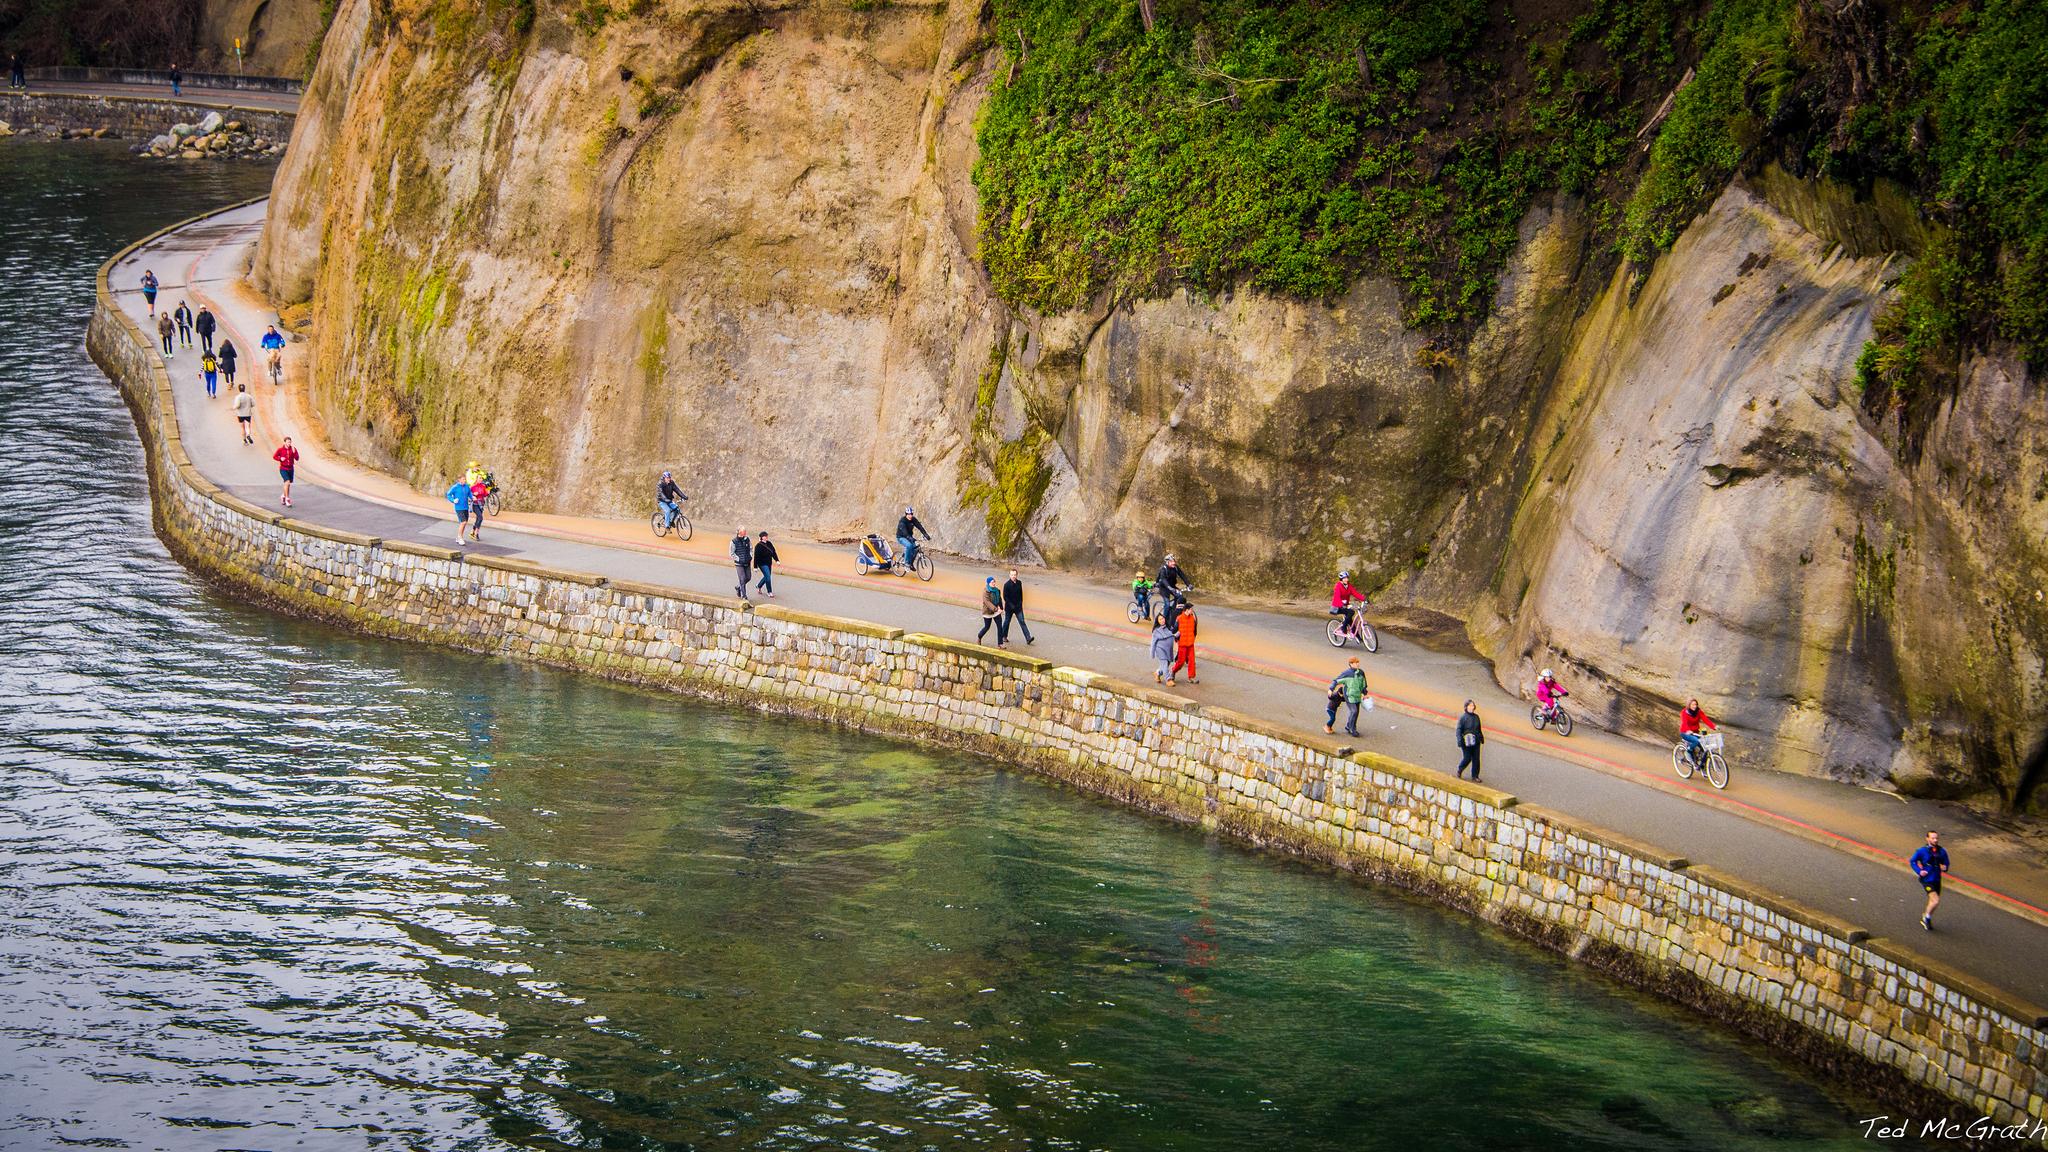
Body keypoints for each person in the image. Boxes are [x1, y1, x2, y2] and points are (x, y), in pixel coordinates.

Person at [1911, 830, 1950, 931]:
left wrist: (1945, 867)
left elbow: (1946, 863)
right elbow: (1913, 861)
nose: (1935, 840)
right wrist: (1919, 871)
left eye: (1936, 838)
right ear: (1927, 839)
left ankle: (1926, 916)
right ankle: (1927, 918)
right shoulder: (1921, 851)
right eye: (1933, 838)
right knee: (1936, 901)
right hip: (1927, 880)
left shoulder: (1942, 851)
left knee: (1932, 902)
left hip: (1937, 879)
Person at [1326, 657, 1368, 737]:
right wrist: (1331, 689)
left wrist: (1365, 694)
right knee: (1354, 711)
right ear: (1351, 664)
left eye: (1358, 662)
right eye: (1356, 663)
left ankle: (1349, 726)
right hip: (1349, 696)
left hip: (1357, 696)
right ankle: (1352, 729)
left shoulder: (1361, 673)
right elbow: (1336, 681)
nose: (1358, 664)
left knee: (1356, 712)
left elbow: (1363, 684)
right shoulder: (1347, 673)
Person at [1001, 568, 1035, 645]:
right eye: (1012, 575)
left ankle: (1028, 638)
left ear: (1017, 575)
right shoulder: (1006, 585)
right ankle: (1003, 636)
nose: (1013, 576)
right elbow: (1005, 597)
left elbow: (1020, 594)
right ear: (1009, 575)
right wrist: (1012, 605)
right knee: (1007, 622)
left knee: (1022, 621)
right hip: (1009, 608)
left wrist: (1020, 603)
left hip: (1018, 607)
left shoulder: (1019, 583)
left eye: (1015, 575)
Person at [1679, 698, 1716, 766]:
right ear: (1689, 705)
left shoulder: (1698, 712)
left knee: (1704, 746)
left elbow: (1705, 719)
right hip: (1685, 732)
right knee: (1696, 741)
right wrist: (1688, 730)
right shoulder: (1684, 712)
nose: (1694, 706)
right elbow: (1685, 723)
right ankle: (1688, 751)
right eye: (1692, 704)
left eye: (1695, 704)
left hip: (1695, 732)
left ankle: (1702, 766)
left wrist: (1713, 727)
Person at [1331, 569, 1366, 636]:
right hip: (1337, 606)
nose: (1346, 579)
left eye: (1347, 578)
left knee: (1350, 620)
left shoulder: (1349, 586)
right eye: (1344, 578)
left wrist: (1364, 599)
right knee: (1351, 612)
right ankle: (1343, 627)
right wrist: (1341, 605)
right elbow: (1337, 597)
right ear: (1341, 579)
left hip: (1345, 605)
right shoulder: (1338, 586)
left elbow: (1355, 593)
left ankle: (1357, 636)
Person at [1169, 601, 1198, 685]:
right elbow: (1174, 630)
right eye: (1191, 609)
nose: (1192, 611)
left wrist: (1193, 638)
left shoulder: (1192, 618)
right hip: (1182, 644)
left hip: (1190, 643)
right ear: (1187, 610)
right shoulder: (1179, 618)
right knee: (1180, 662)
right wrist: (1177, 639)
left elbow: (1195, 630)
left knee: (1192, 660)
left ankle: (1191, 677)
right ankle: (1173, 671)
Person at [1455, 700, 1484, 781]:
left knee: (1476, 759)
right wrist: (1460, 740)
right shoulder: (1463, 718)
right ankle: (1460, 769)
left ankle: (1475, 776)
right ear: (1466, 707)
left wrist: (1481, 737)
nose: (1472, 707)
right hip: (1466, 742)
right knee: (1467, 758)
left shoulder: (1476, 717)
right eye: (1470, 706)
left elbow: (1479, 729)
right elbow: (1459, 730)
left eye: (1473, 706)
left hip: (1476, 741)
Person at [896, 506, 930, 570]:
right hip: (901, 537)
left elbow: (920, 526)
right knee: (909, 546)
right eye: (908, 514)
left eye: (911, 514)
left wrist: (925, 534)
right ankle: (906, 563)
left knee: (916, 547)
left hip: (909, 537)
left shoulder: (913, 519)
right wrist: (910, 538)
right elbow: (904, 532)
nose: (910, 516)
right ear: (906, 514)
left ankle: (910, 563)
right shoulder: (902, 521)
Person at [977, 576, 1007, 646]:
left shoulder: (997, 590)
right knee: (987, 627)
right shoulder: (986, 592)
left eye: (994, 582)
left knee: (1000, 627)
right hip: (987, 612)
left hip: (996, 612)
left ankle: (1000, 644)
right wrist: (996, 609)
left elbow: (999, 599)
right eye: (992, 582)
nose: (993, 583)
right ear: (988, 583)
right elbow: (987, 603)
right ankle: (979, 636)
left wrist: (1001, 609)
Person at [445, 475, 473, 543]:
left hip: (466, 507)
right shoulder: (455, 487)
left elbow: (469, 493)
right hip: (459, 507)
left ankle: (459, 537)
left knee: (464, 523)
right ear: (459, 480)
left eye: (465, 479)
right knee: (463, 522)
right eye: (463, 479)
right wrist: (453, 500)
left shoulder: (467, 486)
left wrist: (472, 497)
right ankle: (460, 538)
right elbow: (448, 494)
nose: (464, 481)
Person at [272, 437, 299, 507]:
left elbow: (297, 458)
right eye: (287, 442)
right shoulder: (280, 450)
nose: (289, 443)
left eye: (290, 442)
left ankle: (283, 496)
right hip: (283, 468)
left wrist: (294, 452)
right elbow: (274, 456)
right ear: (284, 442)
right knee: (287, 482)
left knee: (287, 484)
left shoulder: (293, 449)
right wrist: (280, 458)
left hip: (291, 469)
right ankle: (287, 499)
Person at [1150, 614, 1176, 683]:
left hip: (1168, 650)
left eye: (1163, 618)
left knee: (1166, 664)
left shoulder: (1168, 628)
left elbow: (1172, 635)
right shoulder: (1156, 631)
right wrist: (1152, 653)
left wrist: (1177, 634)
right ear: (1157, 621)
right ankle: (1168, 679)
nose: (1162, 620)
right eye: (1160, 619)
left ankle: (1157, 673)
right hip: (1160, 650)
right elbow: (1153, 643)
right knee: (1164, 663)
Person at [731, 526, 753, 601]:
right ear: (740, 532)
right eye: (744, 531)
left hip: (747, 561)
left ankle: (738, 587)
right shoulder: (733, 541)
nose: (745, 532)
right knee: (742, 579)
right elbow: (732, 553)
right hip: (739, 563)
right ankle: (744, 596)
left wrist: (750, 556)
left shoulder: (747, 539)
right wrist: (738, 559)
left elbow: (751, 548)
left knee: (748, 577)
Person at [753, 530, 778, 597]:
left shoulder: (769, 543)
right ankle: (769, 592)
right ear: (761, 537)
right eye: (765, 536)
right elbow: (756, 557)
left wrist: (777, 560)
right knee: (768, 577)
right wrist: (755, 567)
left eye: (766, 535)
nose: (766, 537)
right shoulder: (758, 546)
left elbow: (773, 552)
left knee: (767, 576)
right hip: (762, 564)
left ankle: (758, 586)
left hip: (769, 563)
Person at [467, 473, 490, 540]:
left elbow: (484, 494)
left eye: (481, 478)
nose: (481, 479)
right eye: (479, 478)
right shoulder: (473, 487)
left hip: (481, 504)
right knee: (480, 517)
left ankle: (472, 532)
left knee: (478, 518)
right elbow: (468, 494)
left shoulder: (483, 486)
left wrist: (487, 493)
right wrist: (473, 494)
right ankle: (476, 533)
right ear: (476, 479)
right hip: (475, 504)